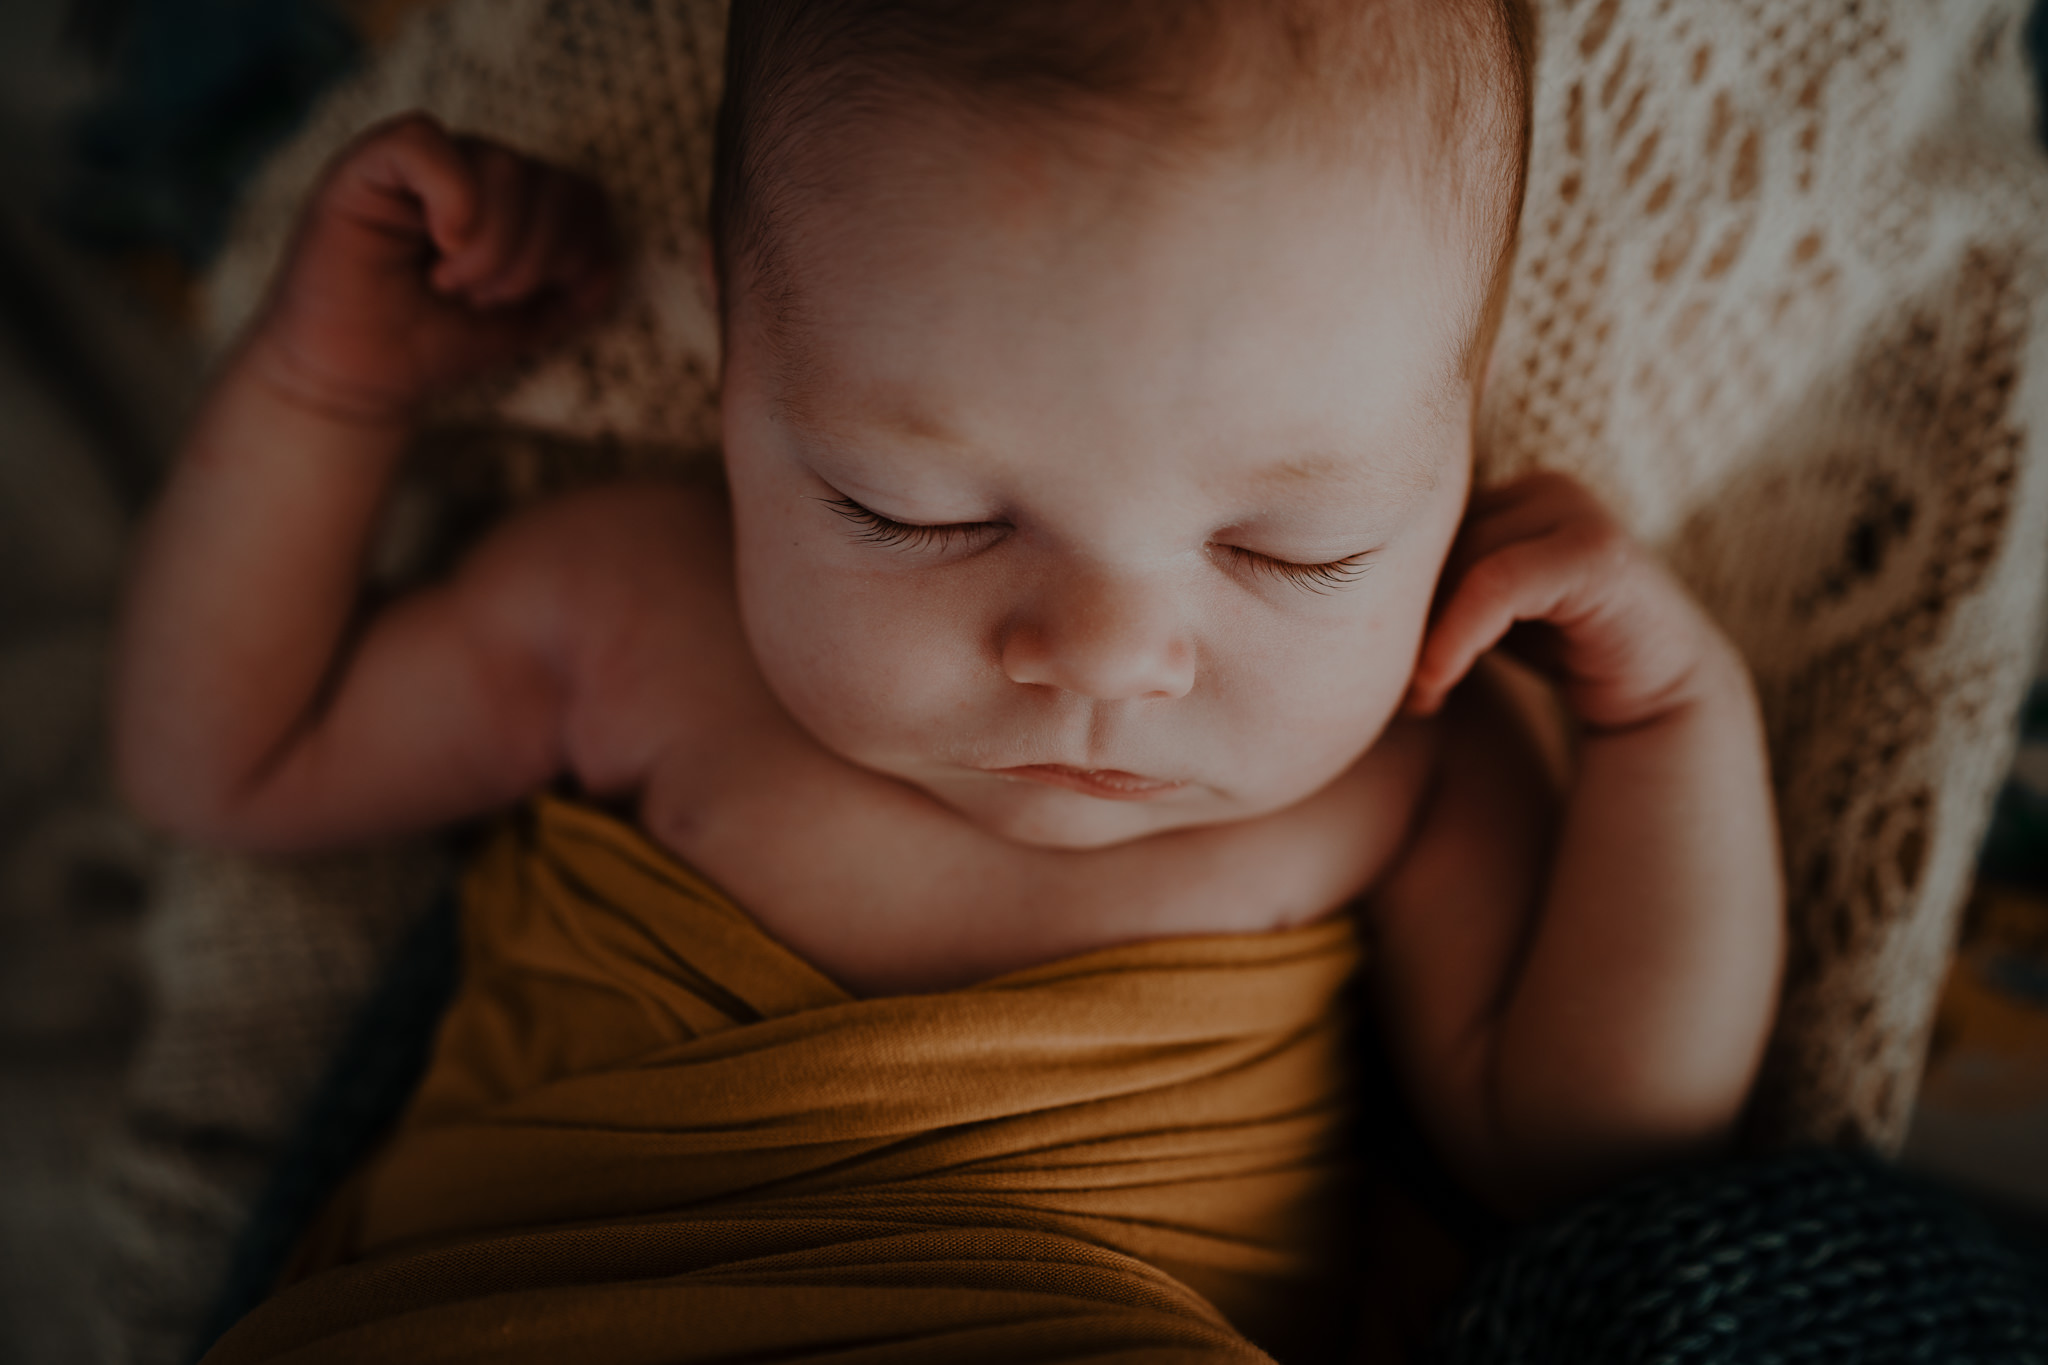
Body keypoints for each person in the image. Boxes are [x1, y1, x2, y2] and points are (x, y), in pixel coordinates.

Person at [114, 0, 1785, 1359]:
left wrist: (1668, 724)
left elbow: (1588, 1153)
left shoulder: (1410, 751)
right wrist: (328, 392)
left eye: (1296, 546)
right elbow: (233, 761)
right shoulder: (635, 607)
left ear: (1457, 459)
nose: (1110, 657)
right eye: (922, 511)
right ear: (736, 376)